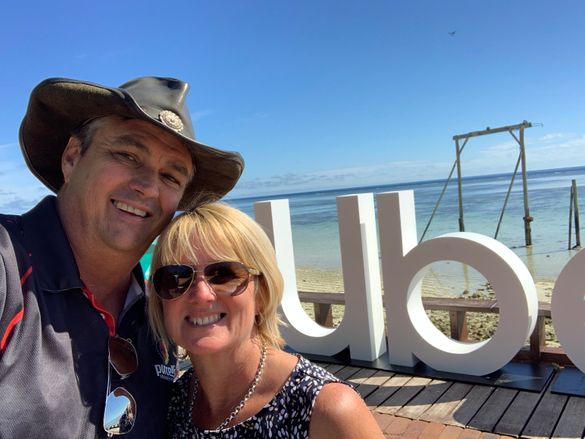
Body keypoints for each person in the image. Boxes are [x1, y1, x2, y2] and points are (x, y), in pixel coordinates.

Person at [0, 76, 244, 438]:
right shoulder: (9, 266)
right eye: (128, 155)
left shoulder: (162, 312)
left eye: (171, 176)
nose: (148, 186)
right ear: (72, 158)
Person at [148, 203, 385, 438]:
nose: (201, 295)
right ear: (161, 301)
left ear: (261, 294)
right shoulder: (173, 401)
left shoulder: (326, 409)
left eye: (223, 274)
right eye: (176, 278)